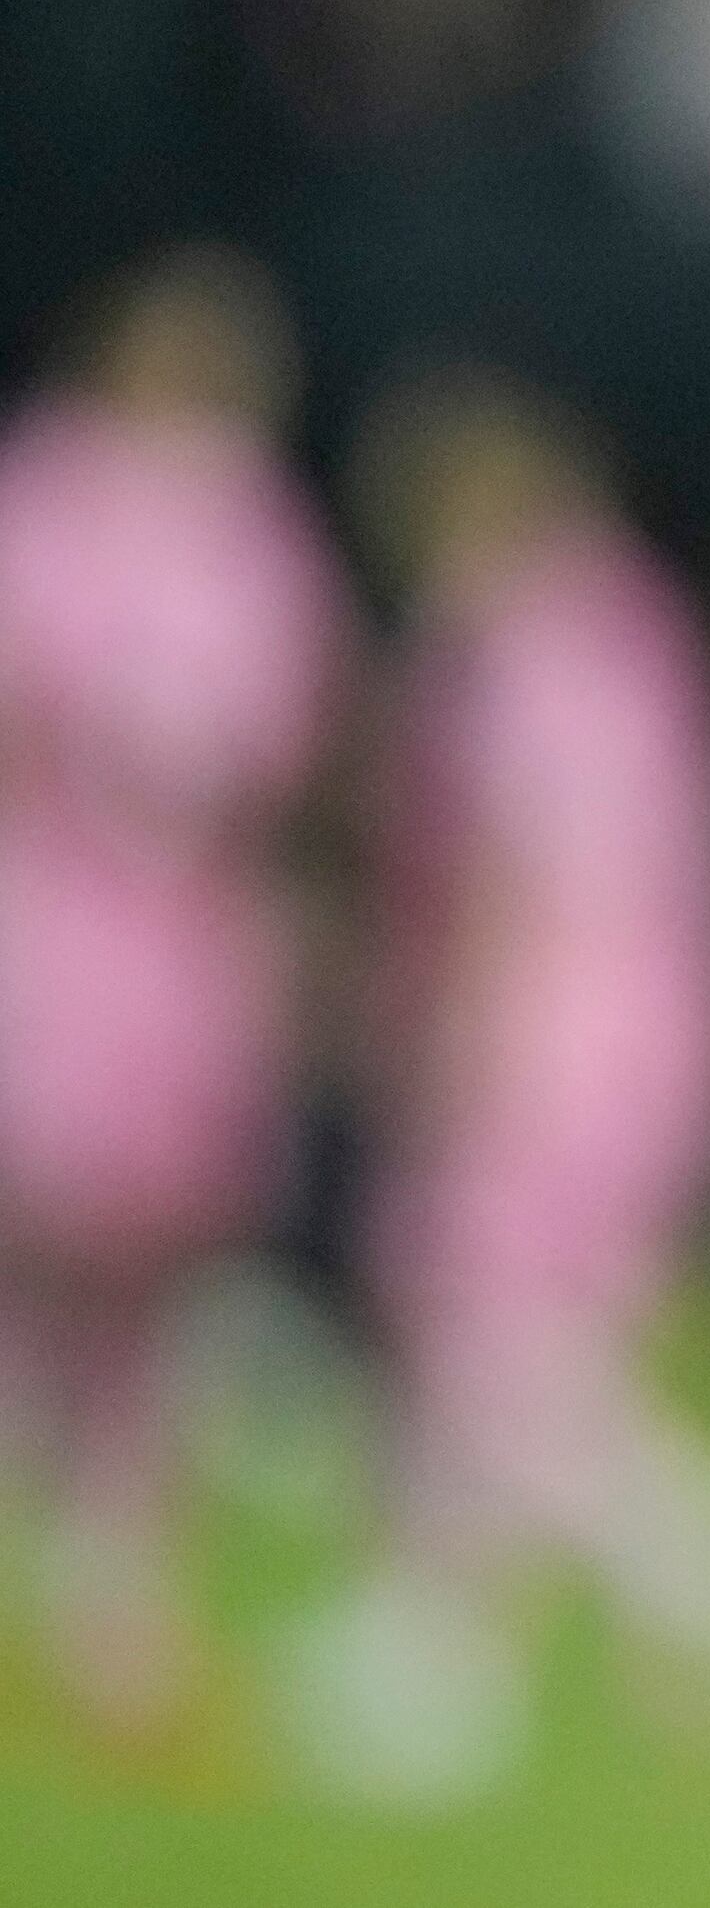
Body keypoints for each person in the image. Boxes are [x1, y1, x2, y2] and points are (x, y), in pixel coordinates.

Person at [287, 365, 710, 1800]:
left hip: (543, 1031)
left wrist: (449, 1029)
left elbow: (522, 862)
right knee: (517, 1346)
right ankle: (441, 1651)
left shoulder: (518, 647)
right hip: (655, 1029)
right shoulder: (639, 630)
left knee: (490, 1342)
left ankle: (695, 1560)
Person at [0, 243, 350, 1740]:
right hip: (45, 917)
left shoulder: (254, 529)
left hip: (179, 945)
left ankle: (115, 1611)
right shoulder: (49, 492)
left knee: (141, 1290)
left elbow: (291, 732)